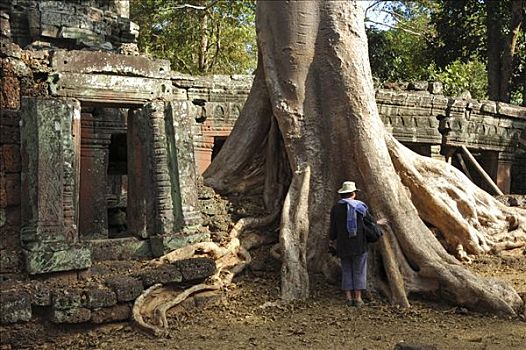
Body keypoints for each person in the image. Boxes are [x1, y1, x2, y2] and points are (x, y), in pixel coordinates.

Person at [329, 181, 385, 307]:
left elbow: (333, 229)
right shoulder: (360, 207)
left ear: (342, 195)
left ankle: (348, 298)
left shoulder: (336, 208)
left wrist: (332, 240)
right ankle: (358, 298)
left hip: (343, 245)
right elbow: (370, 221)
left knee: (347, 270)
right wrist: (379, 223)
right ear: (353, 194)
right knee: (359, 270)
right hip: (359, 244)